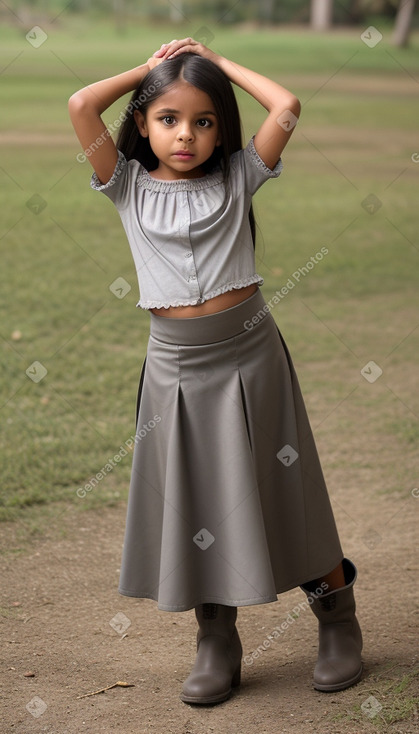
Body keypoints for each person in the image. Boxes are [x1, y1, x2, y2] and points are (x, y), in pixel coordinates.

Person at [68, 37, 363, 706]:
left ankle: (338, 624)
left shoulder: (240, 174)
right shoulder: (123, 184)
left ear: (221, 129)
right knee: (197, 499)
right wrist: (152, 71)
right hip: (175, 368)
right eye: (167, 118)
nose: (186, 135)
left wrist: (216, 65)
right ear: (142, 123)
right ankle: (215, 640)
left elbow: (285, 105)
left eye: (204, 121)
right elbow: (81, 102)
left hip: (251, 356)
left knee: (290, 494)